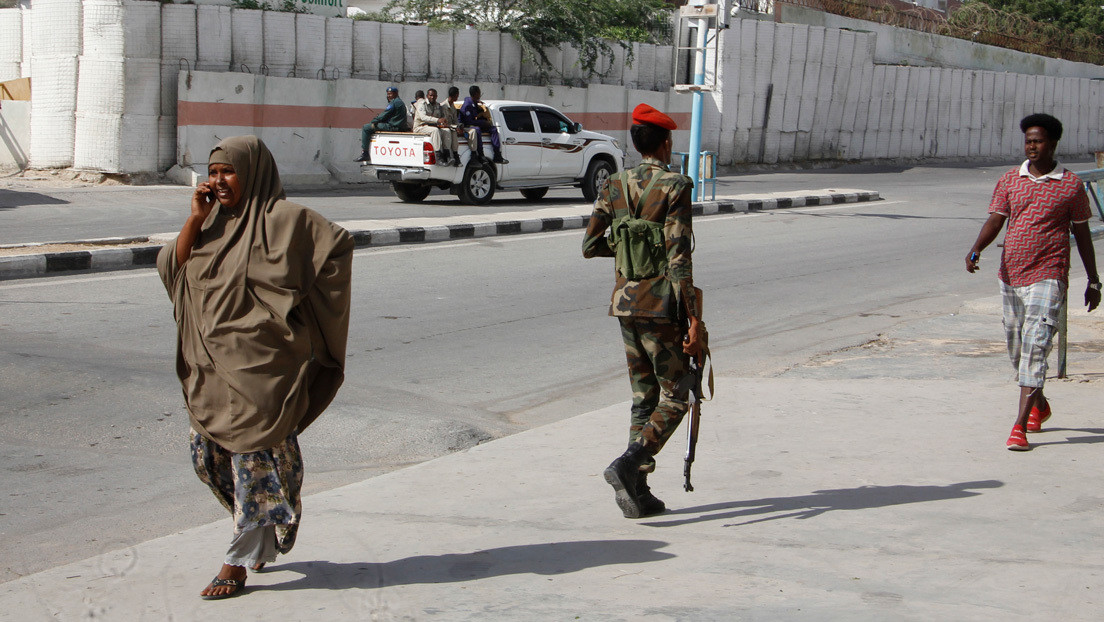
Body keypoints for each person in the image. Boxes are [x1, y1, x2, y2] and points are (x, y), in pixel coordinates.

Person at [156, 135, 354, 599]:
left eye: (229, 171)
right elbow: (174, 270)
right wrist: (194, 218)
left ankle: (236, 563)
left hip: (261, 371)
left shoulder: (285, 220)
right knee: (207, 459)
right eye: (214, 171)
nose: (219, 180)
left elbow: (336, 249)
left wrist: (285, 310)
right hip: (208, 369)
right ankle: (264, 521)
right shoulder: (212, 224)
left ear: (253, 172)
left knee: (254, 465)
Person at [582, 103, 702, 518]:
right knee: (679, 392)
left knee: (643, 397)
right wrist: (694, 320)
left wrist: (629, 243)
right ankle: (630, 463)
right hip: (661, 304)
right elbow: (679, 257)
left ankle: (639, 490)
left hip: (624, 303)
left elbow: (591, 245)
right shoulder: (675, 185)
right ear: (666, 143)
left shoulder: (613, 184)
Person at [966, 113, 1100, 451]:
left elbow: (1082, 234)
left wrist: (1094, 280)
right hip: (1011, 275)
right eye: (1028, 141)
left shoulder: (1070, 185)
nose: (1031, 146)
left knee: (1037, 343)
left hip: (1050, 273)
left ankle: (1019, 426)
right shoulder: (1011, 179)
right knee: (1017, 349)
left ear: (1053, 144)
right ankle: (1040, 405)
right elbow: (997, 219)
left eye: (1038, 141)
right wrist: (977, 248)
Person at [357, 86, 409, 163]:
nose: (388, 96)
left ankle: (365, 153)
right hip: (397, 126)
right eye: (388, 94)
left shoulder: (394, 102)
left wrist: (374, 121)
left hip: (392, 127)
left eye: (390, 94)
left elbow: (384, 115)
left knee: (366, 127)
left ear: (396, 94)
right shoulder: (399, 102)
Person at [459, 85, 507, 164]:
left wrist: (478, 103)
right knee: (477, 130)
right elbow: (469, 122)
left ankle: (497, 154)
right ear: (476, 94)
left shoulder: (473, 102)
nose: (480, 95)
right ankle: (481, 154)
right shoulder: (467, 105)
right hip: (467, 125)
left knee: (493, 129)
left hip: (474, 123)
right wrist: (483, 123)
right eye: (479, 93)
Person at [414, 88, 460, 167]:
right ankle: (438, 157)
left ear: (436, 96)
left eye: (434, 96)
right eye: (431, 95)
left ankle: (447, 154)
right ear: (427, 96)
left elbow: (441, 118)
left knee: (447, 131)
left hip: (431, 127)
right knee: (435, 131)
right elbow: (423, 117)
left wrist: (444, 122)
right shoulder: (422, 104)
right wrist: (438, 120)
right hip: (420, 126)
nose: (432, 97)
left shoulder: (437, 105)